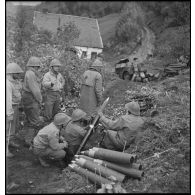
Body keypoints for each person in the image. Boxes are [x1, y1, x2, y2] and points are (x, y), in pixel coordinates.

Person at [22, 56, 44, 145]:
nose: (38, 68)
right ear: (35, 66)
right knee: (34, 120)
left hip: (28, 97)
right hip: (31, 98)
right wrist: (40, 100)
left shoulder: (30, 73)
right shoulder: (31, 74)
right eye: (38, 67)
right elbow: (35, 90)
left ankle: (27, 138)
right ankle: (29, 141)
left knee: (29, 119)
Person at [6, 63, 24, 157]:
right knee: (7, 129)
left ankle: (10, 142)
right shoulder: (7, 84)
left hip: (15, 107)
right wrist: (9, 114)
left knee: (13, 128)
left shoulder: (13, 81)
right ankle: (5, 150)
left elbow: (17, 93)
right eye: (17, 73)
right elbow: (7, 100)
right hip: (10, 108)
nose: (18, 75)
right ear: (11, 73)